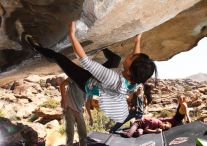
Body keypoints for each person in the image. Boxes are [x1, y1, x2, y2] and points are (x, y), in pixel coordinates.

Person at [21, 21, 157, 123]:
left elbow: (84, 60)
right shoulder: (136, 80)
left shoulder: (113, 78)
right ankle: (101, 47)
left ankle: (36, 47)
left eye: (132, 58)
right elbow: (137, 58)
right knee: (115, 58)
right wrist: (137, 40)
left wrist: (72, 35)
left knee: (59, 58)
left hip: (87, 82)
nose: (131, 55)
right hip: (103, 83)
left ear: (130, 71)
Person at [60, 78, 93, 146]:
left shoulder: (92, 88)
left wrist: (90, 117)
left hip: (79, 111)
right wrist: (64, 100)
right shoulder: (77, 77)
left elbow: (87, 104)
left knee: (83, 135)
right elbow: (62, 85)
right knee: (70, 135)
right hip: (69, 108)